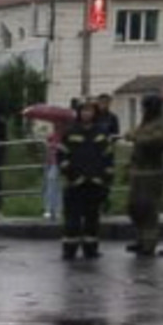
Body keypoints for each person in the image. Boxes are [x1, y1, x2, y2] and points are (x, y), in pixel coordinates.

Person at [60, 100, 112, 260]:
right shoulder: (70, 132)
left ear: (95, 113)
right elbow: (62, 156)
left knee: (92, 218)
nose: (86, 113)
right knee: (72, 219)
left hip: (95, 183)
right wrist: (71, 175)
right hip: (75, 183)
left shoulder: (102, 133)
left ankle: (91, 249)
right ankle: (70, 249)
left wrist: (106, 180)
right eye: (83, 110)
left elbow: (108, 158)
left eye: (89, 110)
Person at [124, 96, 163, 256]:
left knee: (149, 209)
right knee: (134, 208)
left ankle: (148, 244)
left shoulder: (161, 124)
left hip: (152, 173)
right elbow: (135, 134)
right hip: (138, 171)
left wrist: (136, 137)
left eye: (145, 107)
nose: (143, 110)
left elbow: (159, 141)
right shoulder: (145, 123)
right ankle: (140, 238)